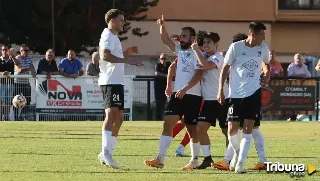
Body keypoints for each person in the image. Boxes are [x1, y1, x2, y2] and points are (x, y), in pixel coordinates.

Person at [144, 15, 203, 170]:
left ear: (192, 38)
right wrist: (162, 25)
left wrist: (185, 89)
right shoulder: (180, 50)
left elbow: (198, 75)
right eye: (181, 36)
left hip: (192, 95)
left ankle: (194, 160)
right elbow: (165, 39)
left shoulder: (198, 53)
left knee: (191, 130)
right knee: (167, 123)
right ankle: (160, 159)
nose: (181, 39)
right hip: (177, 95)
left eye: (184, 36)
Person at [217, 22, 270, 173]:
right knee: (232, 130)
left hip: (253, 94)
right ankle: (236, 155)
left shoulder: (263, 48)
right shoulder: (236, 47)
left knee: (248, 129)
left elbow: (266, 64)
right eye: (262, 35)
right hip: (235, 95)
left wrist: (267, 73)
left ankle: (239, 164)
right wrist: (220, 89)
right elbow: (225, 68)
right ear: (253, 35)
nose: (264, 38)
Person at [97, 9, 143, 169]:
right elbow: (105, 56)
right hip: (110, 81)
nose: (124, 23)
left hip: (117, 81)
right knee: (111, 116)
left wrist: (126, 53)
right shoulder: (108, 35)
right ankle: (106, 152)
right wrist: (128, 60)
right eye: (121, 20)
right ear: (112, 20)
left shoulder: (114, 36)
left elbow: (114, 57)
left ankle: (107, 152)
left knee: (120, 118)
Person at [190, 32, 229, 169]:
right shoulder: (203, 56)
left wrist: (196, 50)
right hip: (208, 101)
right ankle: (207, 159)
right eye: (204, 42)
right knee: (200, 128)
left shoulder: (218, 57)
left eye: (209, 42)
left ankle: (228, 160)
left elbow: (206, 66)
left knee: (226, 131)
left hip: (222, 99)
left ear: (216, 44)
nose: (205, 45)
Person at [14, 44, 36, 121]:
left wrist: (33, 72)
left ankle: (22, 116)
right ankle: (16, 118)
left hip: (26, 82)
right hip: (17, 83)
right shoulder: (17, 58)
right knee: (16, 101)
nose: (27, 52)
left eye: (28, 50)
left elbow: (32, 67)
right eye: (25, 50)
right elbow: (19, 70)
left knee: (28, 100)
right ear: (21, 51)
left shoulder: (30, 58)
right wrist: (29, 69)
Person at [0, 45, 20, 121]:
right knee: (1, 101)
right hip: (1, 83)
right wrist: (2, 73)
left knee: (8, 101)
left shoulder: (12, 59)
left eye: (6, 50)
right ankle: (0, 116)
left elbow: (18, 64)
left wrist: (13, 56)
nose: (5, 51)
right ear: (1, 51)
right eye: (3, 50)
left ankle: (7, 116)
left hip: (10, 83)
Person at [154, 53, 171, 120]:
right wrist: (166, 76)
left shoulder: (169, 64)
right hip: (158, 86)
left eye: (164, 59)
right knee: (158, 102)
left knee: (164, 101)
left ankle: (165, 117)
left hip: (166, 86)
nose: (163, 60)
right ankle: (158, 118)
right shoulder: (158, 65)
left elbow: (173, 72)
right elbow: (156, 73)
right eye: (162, 59)